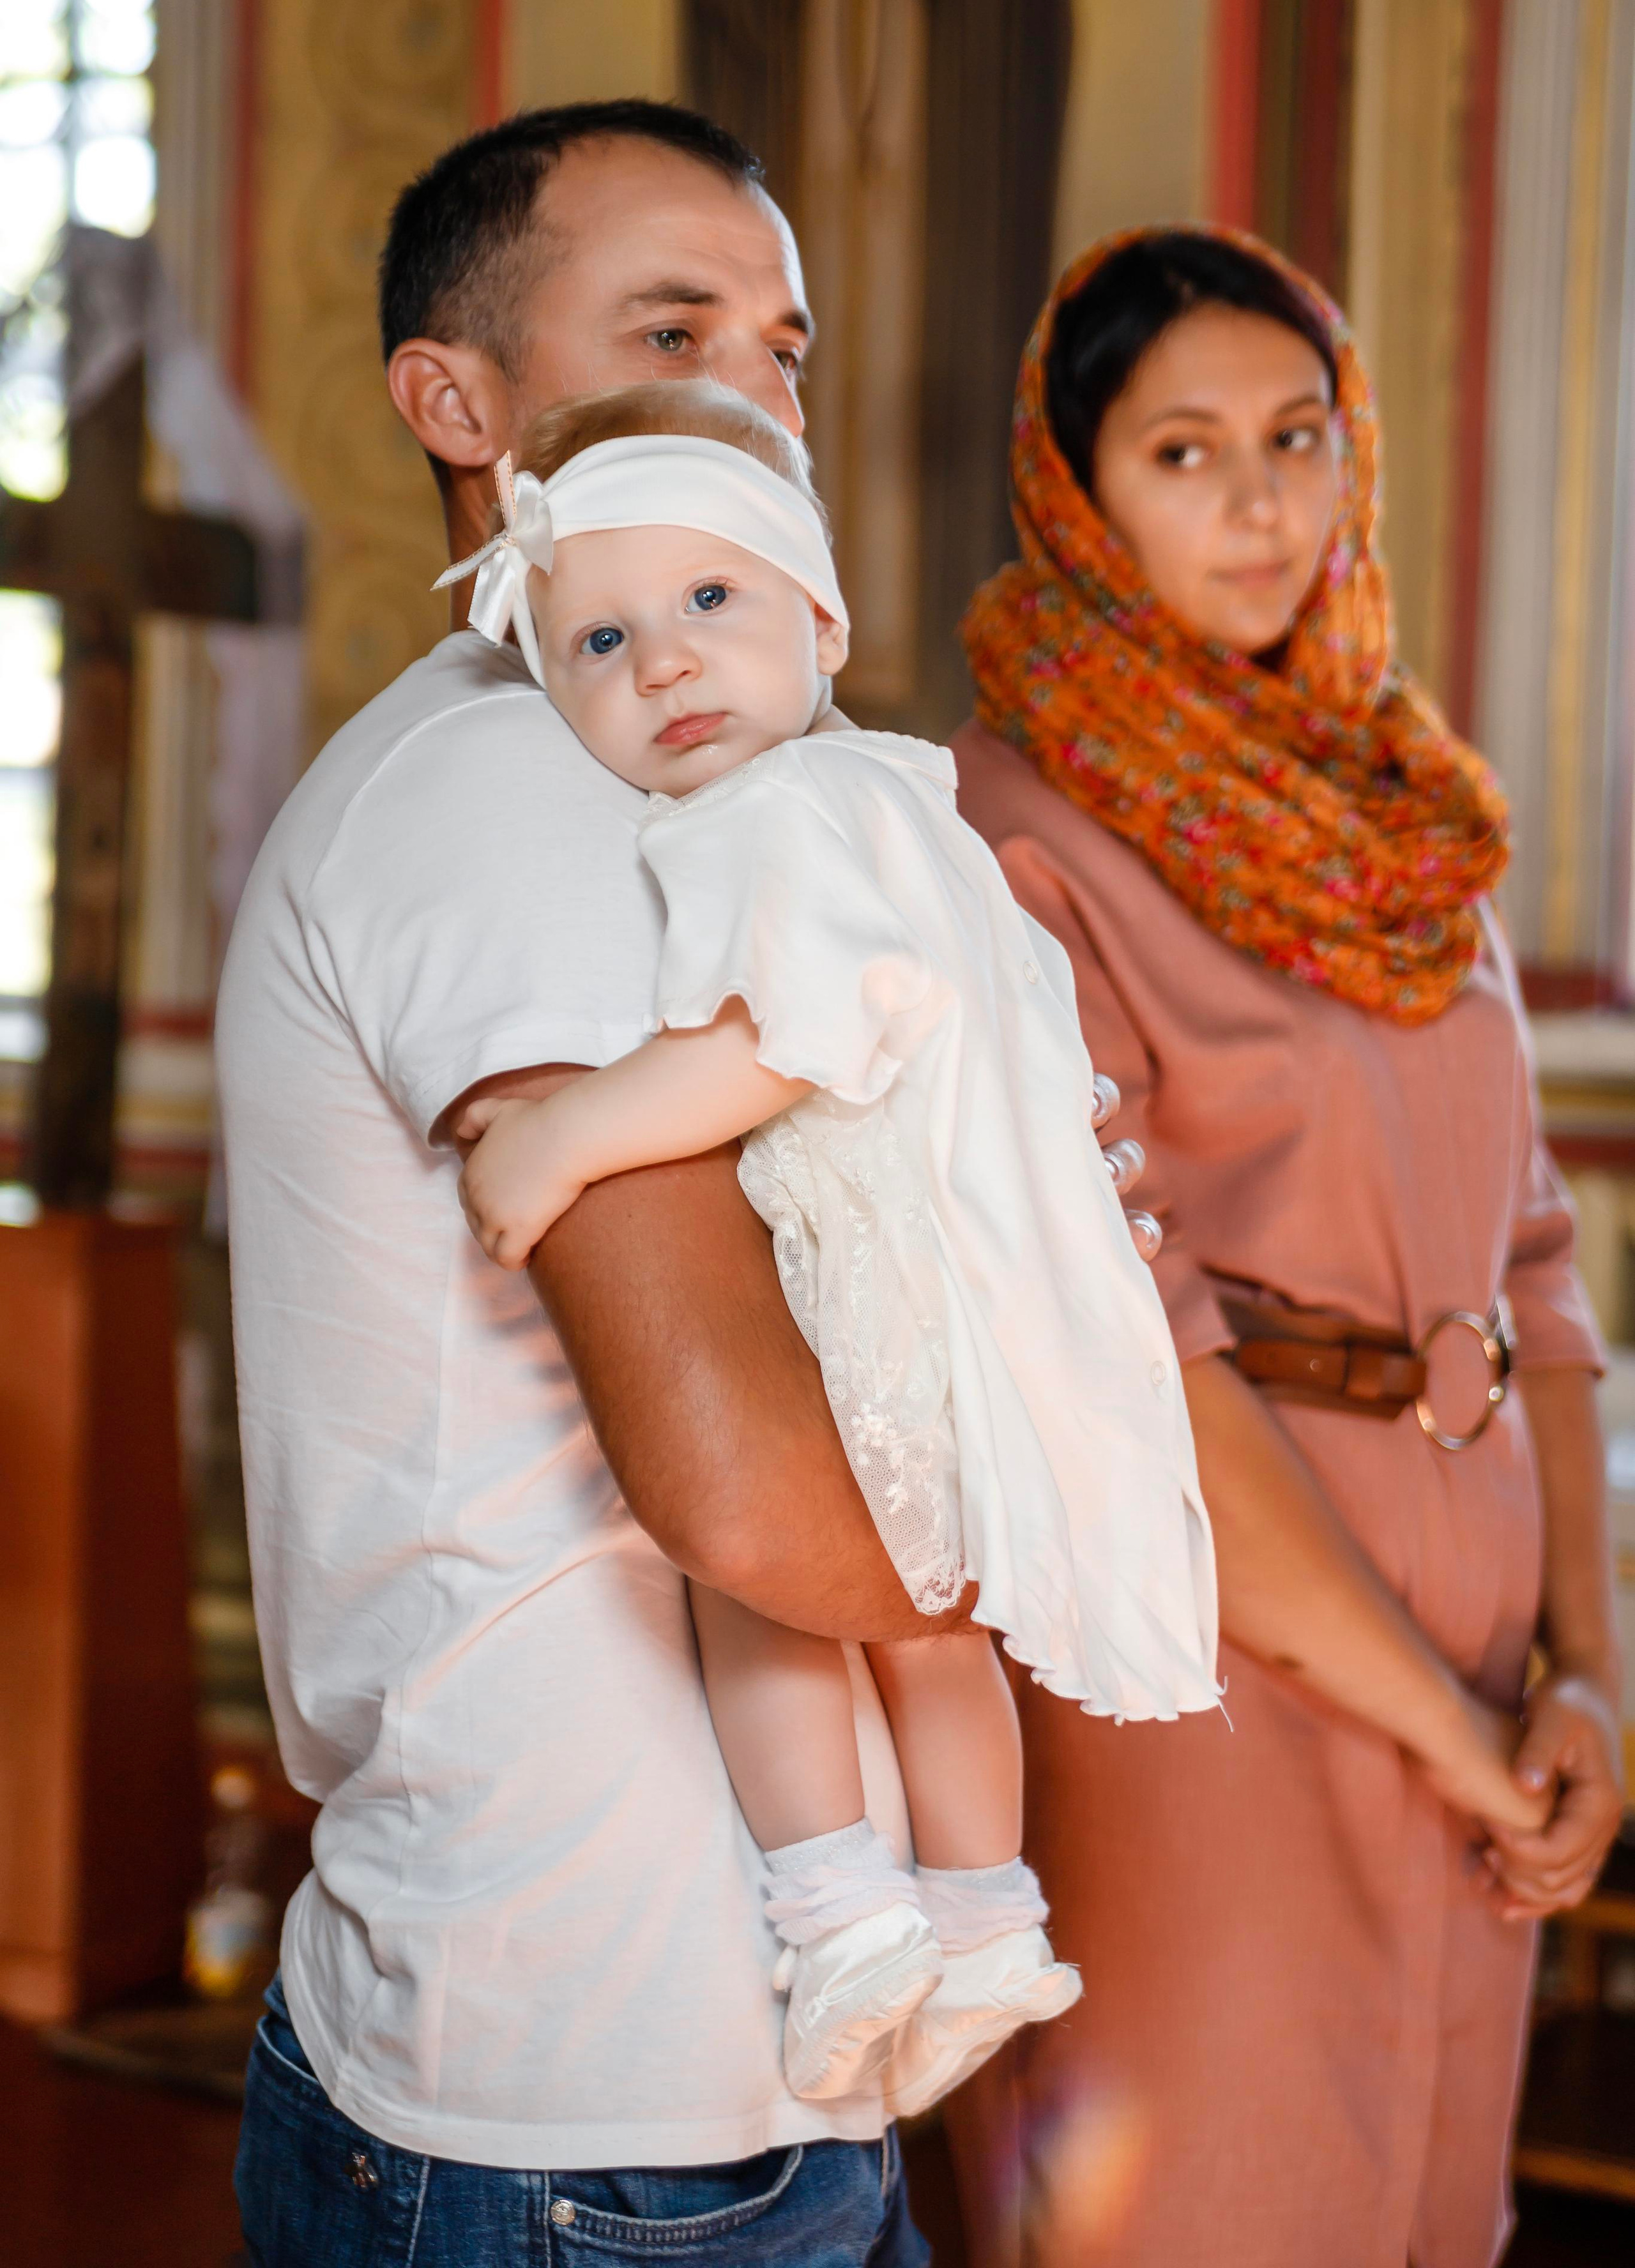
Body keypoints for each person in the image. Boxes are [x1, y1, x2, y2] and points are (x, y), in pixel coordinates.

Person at [945, 226, 1625, 2268]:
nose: (1261, 502)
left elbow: (1535, 1267)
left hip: (1491, 1663)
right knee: (1219, 2212)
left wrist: (1587, 1675)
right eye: (1183, 452)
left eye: (1299, 436)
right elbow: (1131, 1363)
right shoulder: (1016, 833)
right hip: (1208, 1666)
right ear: (1078, 491)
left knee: (1430, 2206)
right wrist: (1462, 1735)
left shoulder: (1410, 818)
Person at [446, 377, 1221, 2108]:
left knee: (762, 1586)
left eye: (710, 604)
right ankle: (985, 1916)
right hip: (958, 1278)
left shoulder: (776, 813)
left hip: (879, 1277)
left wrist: (569, 1130)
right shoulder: (899, 796)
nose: (658, 663)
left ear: (822, 615)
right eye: (594, 641)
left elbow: (787, 1037)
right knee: (929, 1627)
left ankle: (842, 1906)